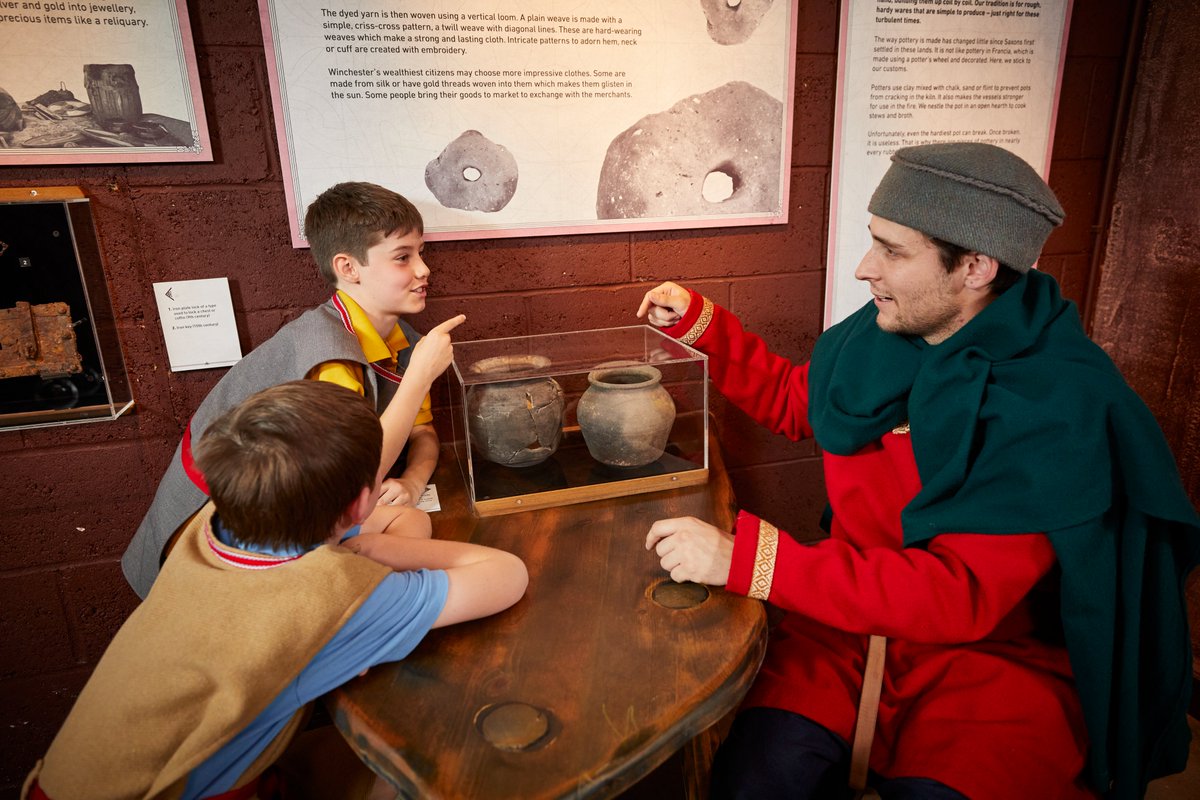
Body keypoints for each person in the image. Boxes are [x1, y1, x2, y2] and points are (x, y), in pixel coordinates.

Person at [637, 142, 1200, 800]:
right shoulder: (887, 330)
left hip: (988, 659)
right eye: (873, 242)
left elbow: (958, 595)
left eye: (893, 252)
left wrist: (751, 562)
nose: (862, 268)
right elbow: (805, 404)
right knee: (757, 782)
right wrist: (709, 330)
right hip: (846, 624)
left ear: (977, 267)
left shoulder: (1058, 405)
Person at [24, 380, 528, 799]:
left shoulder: (217, 524)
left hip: (61, 781)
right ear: (358, 503)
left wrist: (364, 549)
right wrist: (376, 556)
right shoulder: (333, 594)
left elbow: (403, 519)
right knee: (437, 763)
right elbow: (507, 575)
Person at [123, 181, 463, 599]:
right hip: (225, 530)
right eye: (402, 258)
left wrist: (412, 481)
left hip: (300, 509)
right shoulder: (329, 354)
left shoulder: (401, 337)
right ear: (348, 268)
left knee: (411, 522)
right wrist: (420, 376)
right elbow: (361, 472)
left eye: (421, 253)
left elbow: (422, 432)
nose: (423, 269)